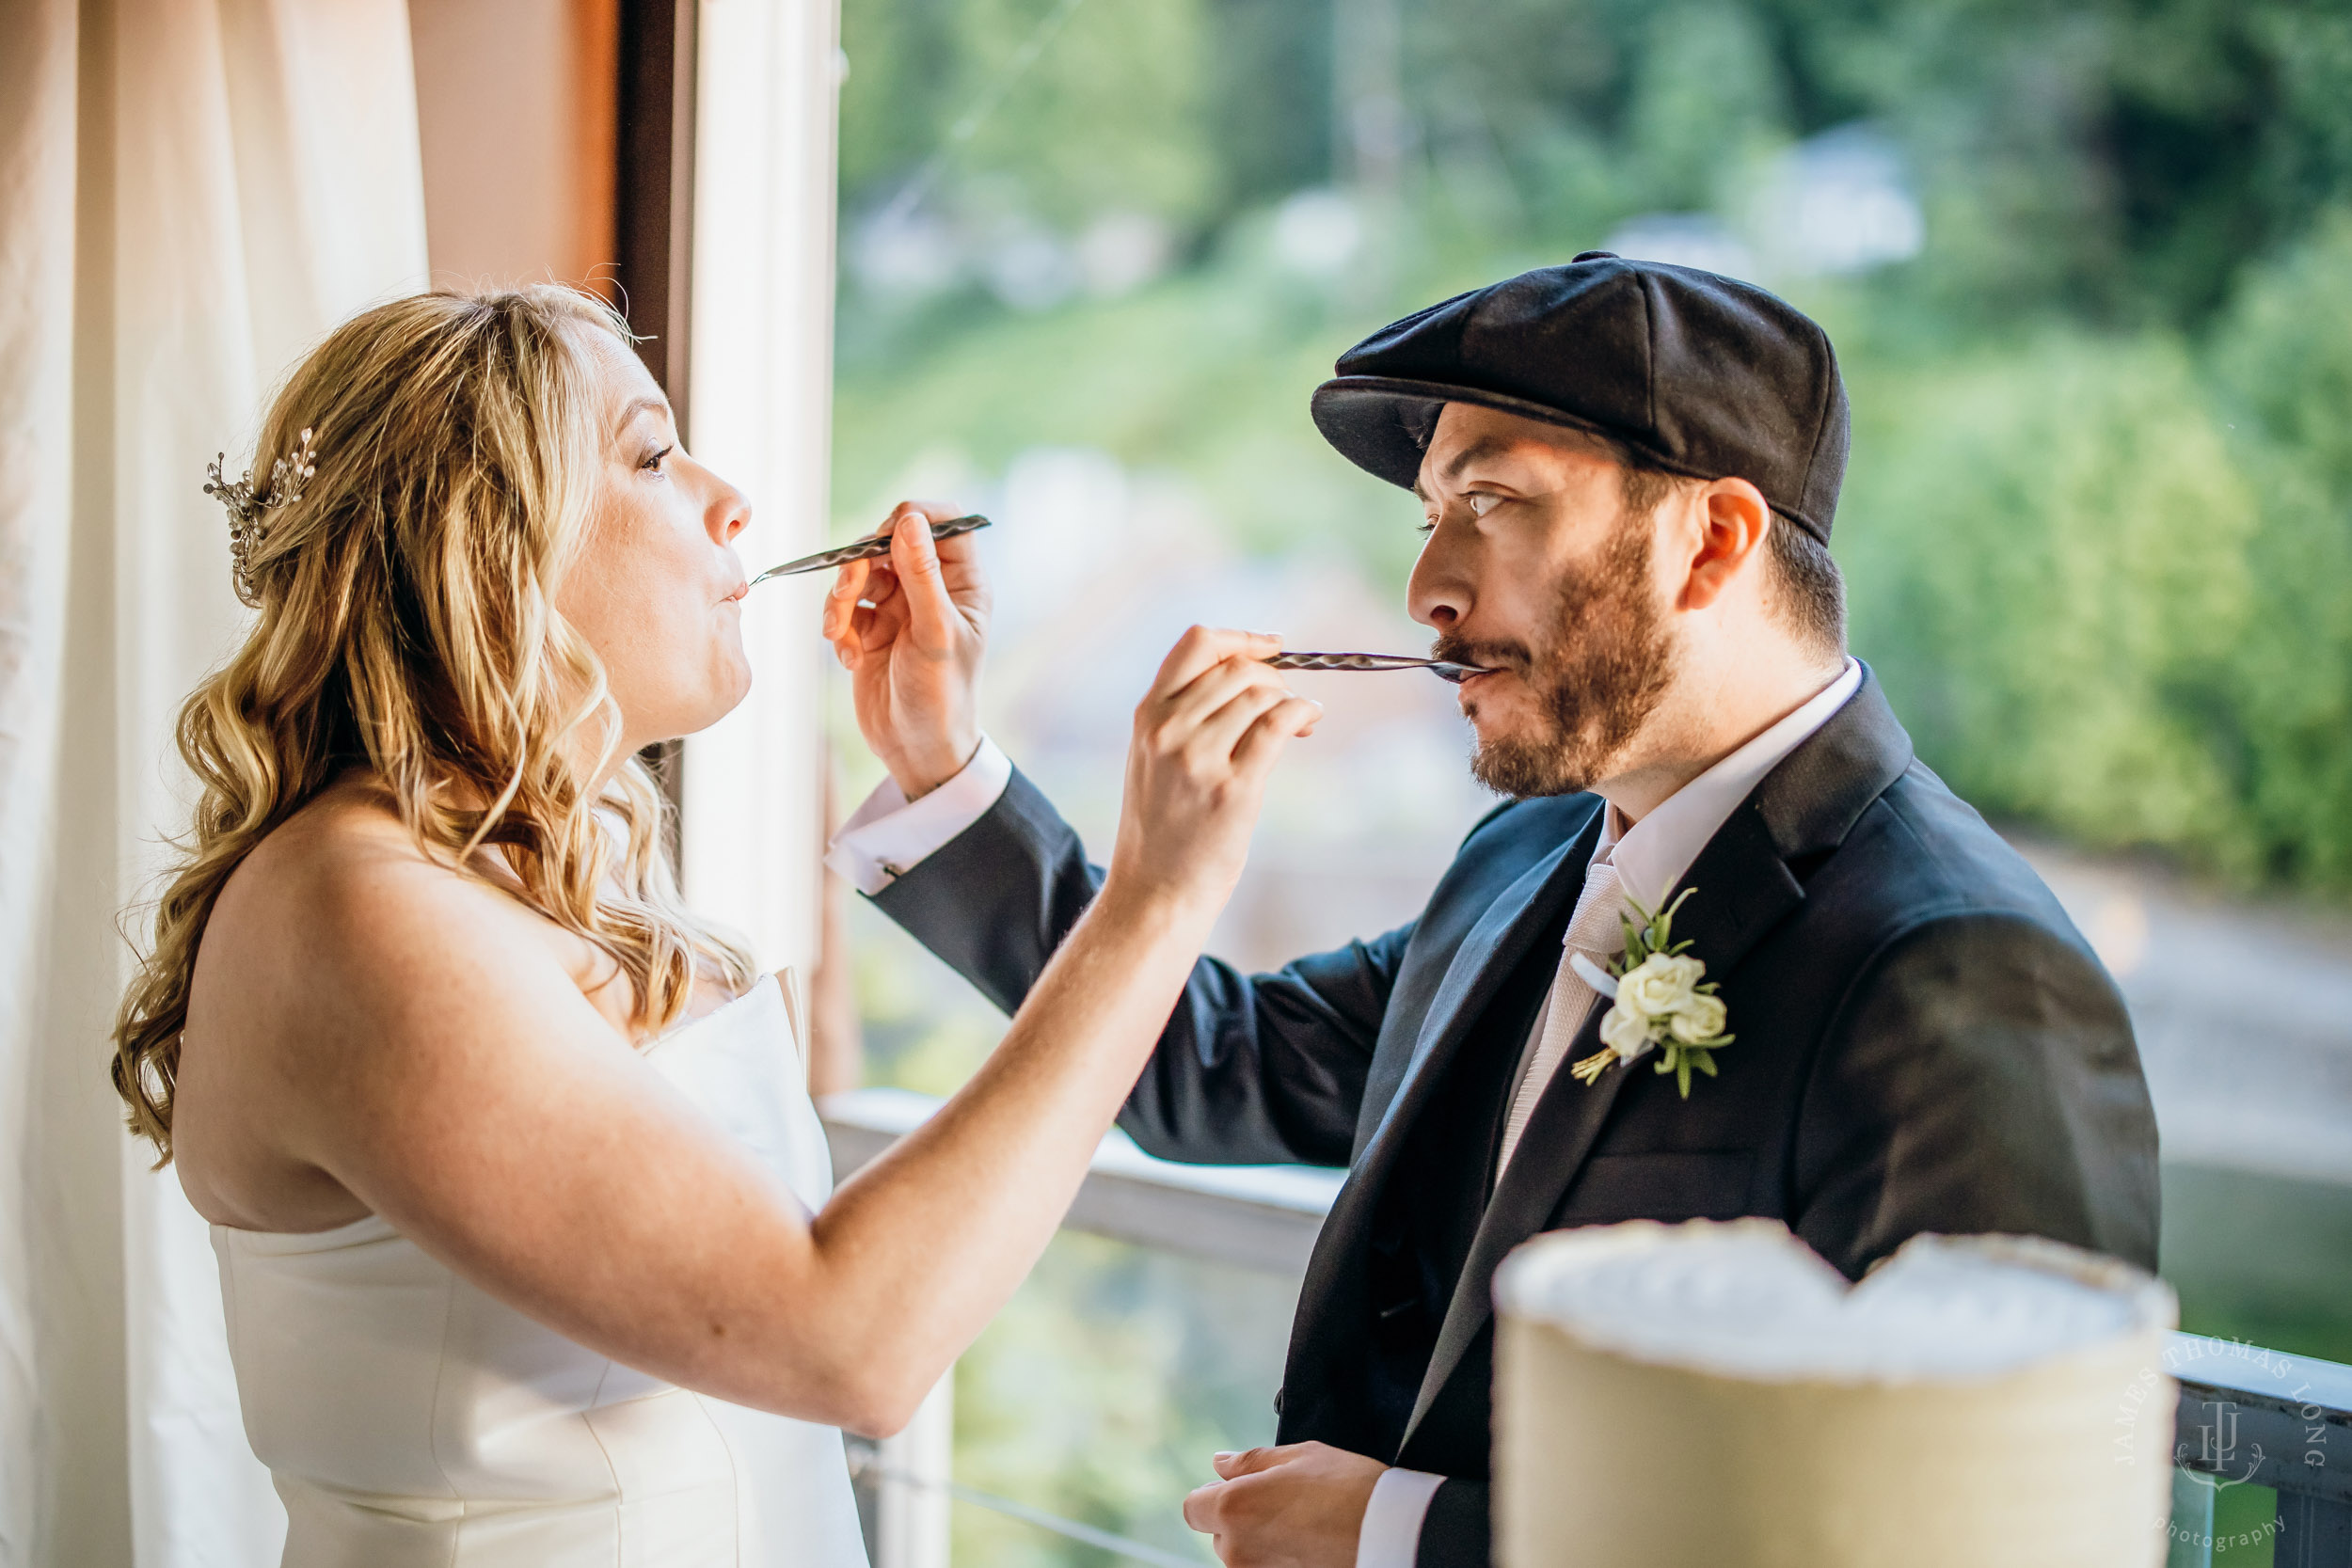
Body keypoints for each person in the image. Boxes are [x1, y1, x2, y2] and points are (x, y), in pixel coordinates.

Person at [822, 253, 2162, 1568]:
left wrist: (1402, 1537)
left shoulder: (1964, 973)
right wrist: (946, 770)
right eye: (1431, 518)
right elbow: (1202, 1069)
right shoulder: (1522, 854)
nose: (1427, 594)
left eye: (1497, 503)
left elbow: (1967, 1530)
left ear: (1714, 542)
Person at [111, 285, 1320, 1567]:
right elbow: (847, 1337)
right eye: (649, 452)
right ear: (487, 548)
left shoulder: (553, 878)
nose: (729, 496)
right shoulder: (359, 914)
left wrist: (936, 761)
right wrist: (1156, 899)